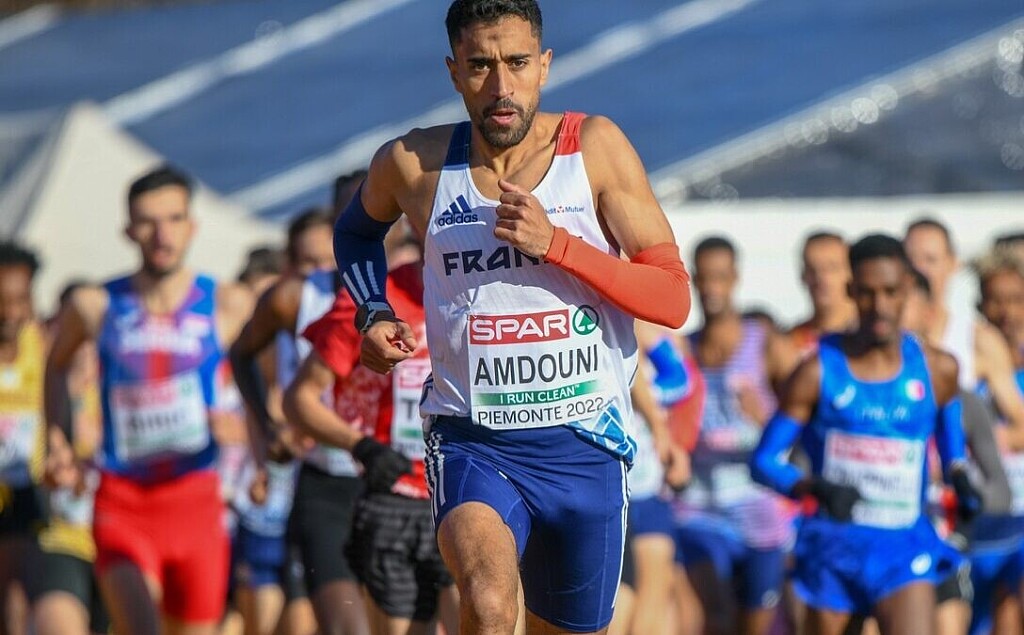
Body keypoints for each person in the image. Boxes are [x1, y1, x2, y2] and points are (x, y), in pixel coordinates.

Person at [332, 1, 691, 631]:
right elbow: (356, 232)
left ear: (544, 65)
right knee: (490, 604)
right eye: (480, 66)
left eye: (518, 63)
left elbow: (672, 298)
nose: (501, 86)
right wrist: (373, 311)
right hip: (474, 441)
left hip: (586, 447)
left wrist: (556, 245)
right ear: (453, 71)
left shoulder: (594, 149)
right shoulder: (413, 162)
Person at [44, 165, 254, 635]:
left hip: (196, 504)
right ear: (128, 231)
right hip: (123, 503)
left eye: (174, 219)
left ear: (192, 226)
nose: (162, 235)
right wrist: (57, 440)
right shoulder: (94, 304)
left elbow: (269, 380)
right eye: (147, 222)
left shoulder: (226, 303)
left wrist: (248, 429)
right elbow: (55, 366)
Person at [750, 233, 981, 635]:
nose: (880, 306)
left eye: (890, 292)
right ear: (851, 291)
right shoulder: (817, 372)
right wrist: (812, 488)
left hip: (902, 547)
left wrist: (960, 477)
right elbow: (763, 460)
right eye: (867, 293)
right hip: (834, 548)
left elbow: (951, 444)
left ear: (907, 288)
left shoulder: (938, 370)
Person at [284, 257, 459, 635]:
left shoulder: (495, 289)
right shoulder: (370, 301)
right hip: (393, 497)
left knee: (488, 617)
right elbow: (299, 399)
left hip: (466, 490)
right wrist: (362, 446)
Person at [230, 183, 369, 635]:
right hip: (323, 482)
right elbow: (241, 355)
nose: (368, 225)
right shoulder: (295, 297)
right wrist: (270, 429)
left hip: (400, 484)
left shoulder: (419, 287)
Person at [672, 236, 794, 635]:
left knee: (755, 623)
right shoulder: (685, 348)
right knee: (715, 614)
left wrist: (766, 418)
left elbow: (803, 413)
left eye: (720, 277)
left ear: (735, 278)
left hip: (758, 507)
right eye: (704, 278)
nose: (711, 288)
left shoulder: (764, 342)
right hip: (700, 507)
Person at [903, 268, 1012, 635]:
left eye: (903, 302)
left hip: (941, 547)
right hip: (875, 548)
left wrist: (960, 502)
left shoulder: (961, 397)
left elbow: (999, 490)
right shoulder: (851, 395)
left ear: (929, 314)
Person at [29, 281, 110, 635]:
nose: (81, 346)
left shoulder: (121, 389)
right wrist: (54, 471)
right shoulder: (40, 393)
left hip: (119, 542)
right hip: (62, 539)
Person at [904, 218, 1024, 448]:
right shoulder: (881, 336)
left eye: (930, 259)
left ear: (953, 264)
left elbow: (1020, 426)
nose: (919, 269)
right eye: (911, 259)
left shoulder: (978, 339)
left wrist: (965, 444)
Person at [970, 247, 1024, 635]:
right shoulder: (968, 362)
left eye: (1016, 299)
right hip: (981, 517)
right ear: (980, 304)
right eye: (995, 300)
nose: (1006, 311)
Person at [0, 242, 47, 635]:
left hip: (24, 487)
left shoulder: (43, 344)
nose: (9, 313)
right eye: (1, 301)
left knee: (16, 596)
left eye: (20, 300)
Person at [788, 231, 857, 359]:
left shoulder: (871, 335)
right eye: (812, 269)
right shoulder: (790, 343)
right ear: (803, 276)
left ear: (851, 273)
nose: (821, 278)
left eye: (832, 268)